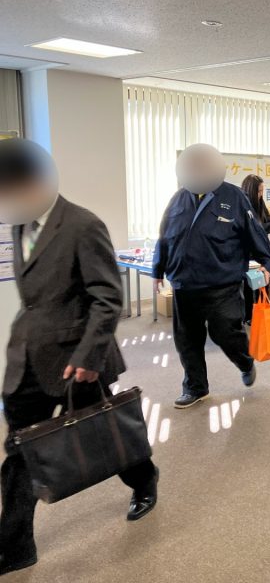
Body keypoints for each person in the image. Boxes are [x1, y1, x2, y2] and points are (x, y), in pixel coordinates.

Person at [0, 139, 159, 575]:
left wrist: (89, 356)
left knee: (106, 433)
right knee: (19, 449)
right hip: (28, 357)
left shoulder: (82, 224)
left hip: (79, 361)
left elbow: (107, 297)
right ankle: (15, 546)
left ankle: (145, 479)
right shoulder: (19, 223)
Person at [153, 144, 270, 409]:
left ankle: (245, 362)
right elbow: (164, 236)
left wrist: (267, 261)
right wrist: (157, 270)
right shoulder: (178, 199)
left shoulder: (234, 196)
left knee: (225, 333)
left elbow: (254, 232)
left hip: (222, 284)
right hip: (184, 283)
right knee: (187, 340)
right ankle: (195, 387)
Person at [241, 174, 270, 324]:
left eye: (262, 191)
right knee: (249, 283)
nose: (261, 194)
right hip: (248, 250)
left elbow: (267, 219)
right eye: (259, 191)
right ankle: (249, 315)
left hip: (260, 249)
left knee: (263, 280)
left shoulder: (260, 202)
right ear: (251, 190)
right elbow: (252, 229)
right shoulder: (243, 205)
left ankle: (264, 309)